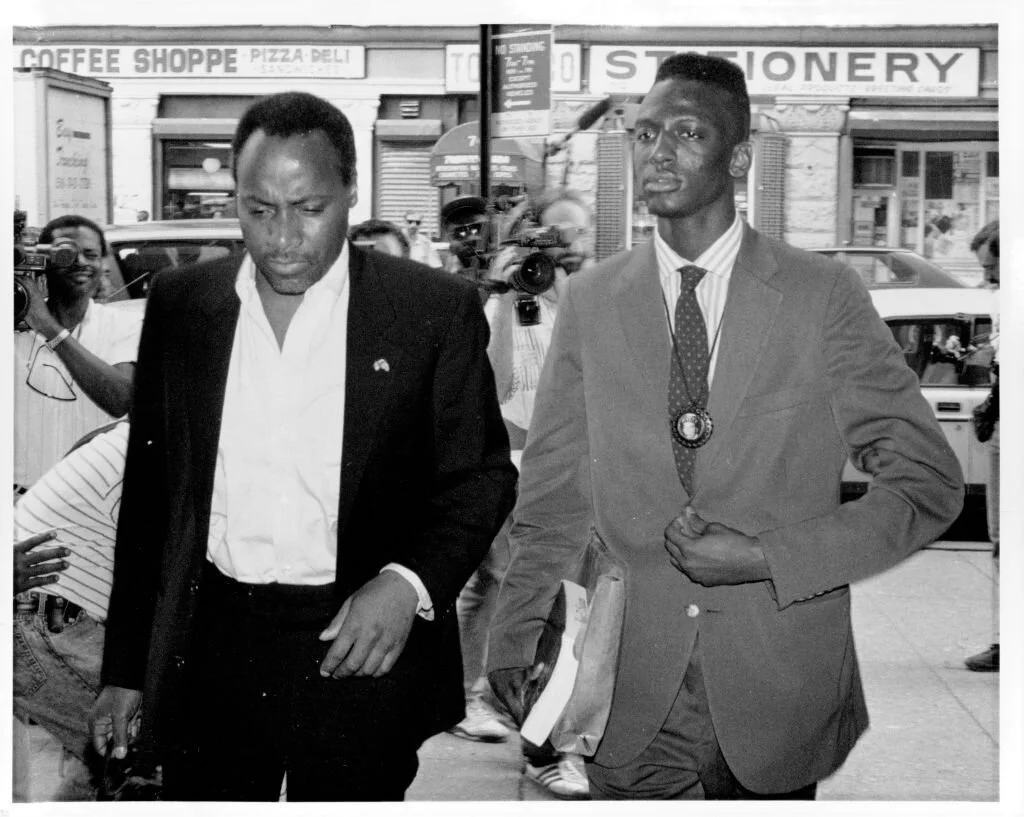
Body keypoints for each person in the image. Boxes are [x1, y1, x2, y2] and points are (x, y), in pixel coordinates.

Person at [486, 52, 964, 801]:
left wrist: (767, 555)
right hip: (625, 686)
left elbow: (927, 482)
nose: (658, 153)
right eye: (644, 135)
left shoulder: (821, 296)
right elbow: (552, 491)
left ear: (739, 156)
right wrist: (513, 633)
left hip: (778, 682)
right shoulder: (592, 302)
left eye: (685, 133)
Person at [88, 91, 516, 802]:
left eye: (309, 208)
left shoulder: (429, 310)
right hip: (214, 641)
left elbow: (479, 478)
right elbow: (151, 500)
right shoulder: (183, 305)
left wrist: (408, 583)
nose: (283, 236)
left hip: (358, 640)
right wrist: (127, 669)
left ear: (350, 192)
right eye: (258, 209)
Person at [449, 189, 593, 800]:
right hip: (513, 467)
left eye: (570, 239)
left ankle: (494, 702)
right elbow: (500, 381)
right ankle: (537, 735)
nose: (560, 251)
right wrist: (508, 299)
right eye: (550, 239)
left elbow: (587, 374)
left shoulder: (584, 304)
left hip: (566, 466)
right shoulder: (500, 306)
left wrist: (560, 290)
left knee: (518, 592)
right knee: (522, 593)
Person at [13, 421, 129, 801]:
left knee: (108, 761)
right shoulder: (158, 442)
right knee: (145, 757)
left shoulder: (124, 434)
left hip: (37, 612)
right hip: (42, 613)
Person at [14, 214, 143, 492]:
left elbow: (122, 400)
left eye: (91, 255)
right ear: (43, 260)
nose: (81, 263)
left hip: (86, 505)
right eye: (67, 254)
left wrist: (48, 327)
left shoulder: (123, 325)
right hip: (18, 500)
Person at [965, 220, 1000, 672]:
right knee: (1001, 542)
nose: (986, 279)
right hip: (1004, 429)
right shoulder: (999, 304)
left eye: (992, 270)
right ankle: (1004, 639)